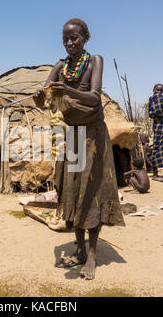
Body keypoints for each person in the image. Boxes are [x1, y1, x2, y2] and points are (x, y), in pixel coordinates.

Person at [33, 18, 125, 280]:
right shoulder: (60, 66)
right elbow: (45, 97)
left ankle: (93, 256)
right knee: (72, 190)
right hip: (70, 136)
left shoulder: (95, 60)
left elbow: (95, 96)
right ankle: (80, 250)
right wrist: (41, 97)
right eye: (65, 39)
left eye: (74, 38)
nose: (69, 43)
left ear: (85, 37)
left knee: (91, 191)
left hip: (93, 135)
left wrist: (68, 91)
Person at [148, 84, 163, 181]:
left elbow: (153, 113)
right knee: (157, 148)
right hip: (159, 127)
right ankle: (155, 174)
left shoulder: (152, 100)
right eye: (157, 90)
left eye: (161, 90)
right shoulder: (158, 99)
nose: (159, 92)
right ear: (153, 90)